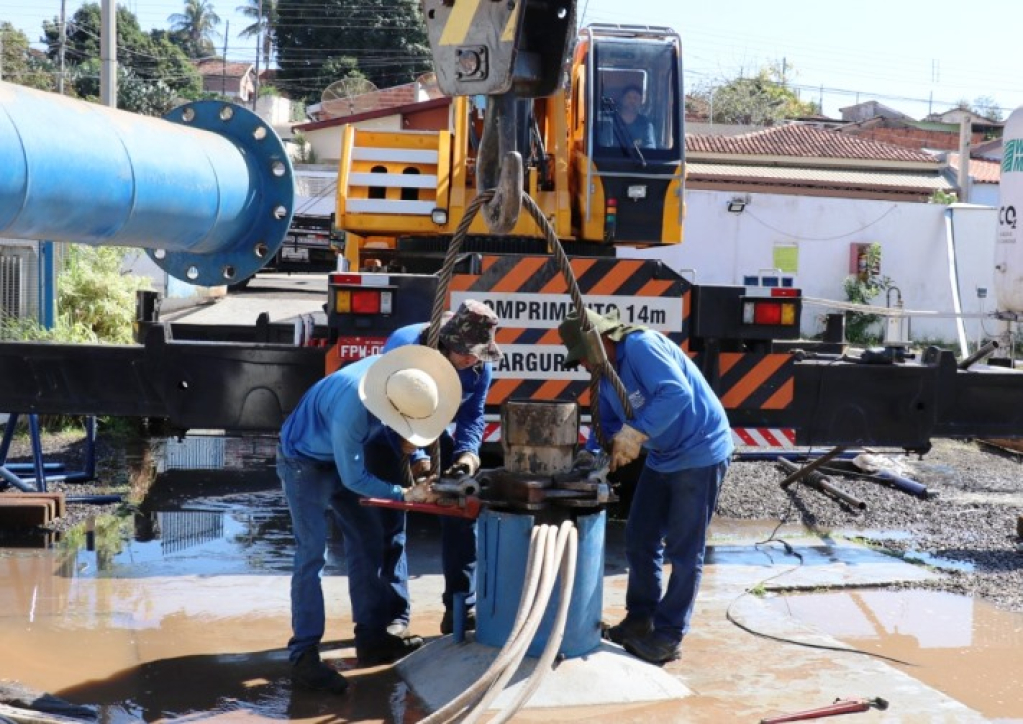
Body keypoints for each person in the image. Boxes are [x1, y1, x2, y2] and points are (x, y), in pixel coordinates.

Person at [277, 344, 461, 693]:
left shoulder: (403, 380)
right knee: (311, 554)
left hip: (342, 453)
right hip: (304, 461)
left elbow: (411, 418)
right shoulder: (354, 411)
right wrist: (405, 494)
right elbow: (353, 479)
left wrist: (418, 455)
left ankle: (372, 638)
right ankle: (304, 658)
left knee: (368, 543)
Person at [557, 308, 733, 665]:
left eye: (583, 358)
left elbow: (675, 393)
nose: (584, 367)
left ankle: (668, 636)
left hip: (699, 452)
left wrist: (636, 432)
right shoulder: (606, 377)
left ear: (601, 341)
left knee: (684, 552)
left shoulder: (641, 345)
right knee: (640, 538)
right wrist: (593, 460)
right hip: (662, 456)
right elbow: (605, 429)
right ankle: (640, 619)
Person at [373, 299, 502, 636]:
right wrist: (417, 462)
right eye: (467, 354)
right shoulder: (407, 351)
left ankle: (461, 607)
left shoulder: (477, 365)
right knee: (392, 522)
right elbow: (390, 412)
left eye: (479, 354)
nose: (474, 360)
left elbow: (473, 416)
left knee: (461, 515)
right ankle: (395, 615)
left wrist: (466, 456)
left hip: (436, 428)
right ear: (447, 345)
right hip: (391, 426)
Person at [617, 84, 656, 149]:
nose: (632, 101)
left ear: (640, 102)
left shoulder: (646, 124)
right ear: (622, 100)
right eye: (629, 97)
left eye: (635, 98)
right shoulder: (611, 120)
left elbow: (650, 149)